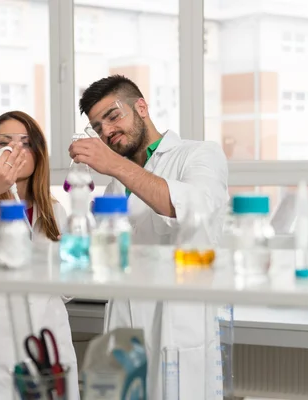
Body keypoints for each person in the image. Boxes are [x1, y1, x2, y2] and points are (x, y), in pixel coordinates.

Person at [69, 75, 229, 399]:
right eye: (98, 128)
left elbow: (191, 206)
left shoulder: (199, 155)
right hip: (124, 331)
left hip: (177, 325)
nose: (108, 132)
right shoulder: (116, 185)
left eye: (113, 117)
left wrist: (114, 165)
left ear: (141, 107)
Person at [0, 111, 79, 400]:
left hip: (47, 345)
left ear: (39, 153)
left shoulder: (55, 211)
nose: (16, 149)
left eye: (25, 142)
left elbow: (68, 290)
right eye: (5, 142)